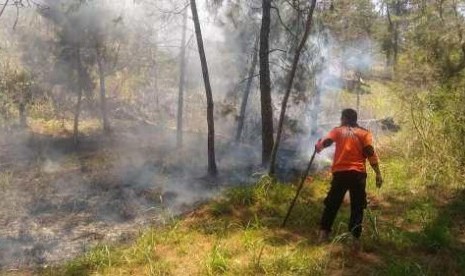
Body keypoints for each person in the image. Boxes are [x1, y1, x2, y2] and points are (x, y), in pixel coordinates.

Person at [315, 108, 383, 249]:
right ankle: (354, 239)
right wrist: (378, 172)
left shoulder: (338, 130)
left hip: (340, 173)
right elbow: (370, 151)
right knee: (358, 206)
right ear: (355, 119)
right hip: (358, 174)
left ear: (344, 118)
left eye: (341, 118)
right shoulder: (365, 133)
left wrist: (318, 146)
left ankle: (323, 234)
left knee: (332, 203)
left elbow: (326, 141)